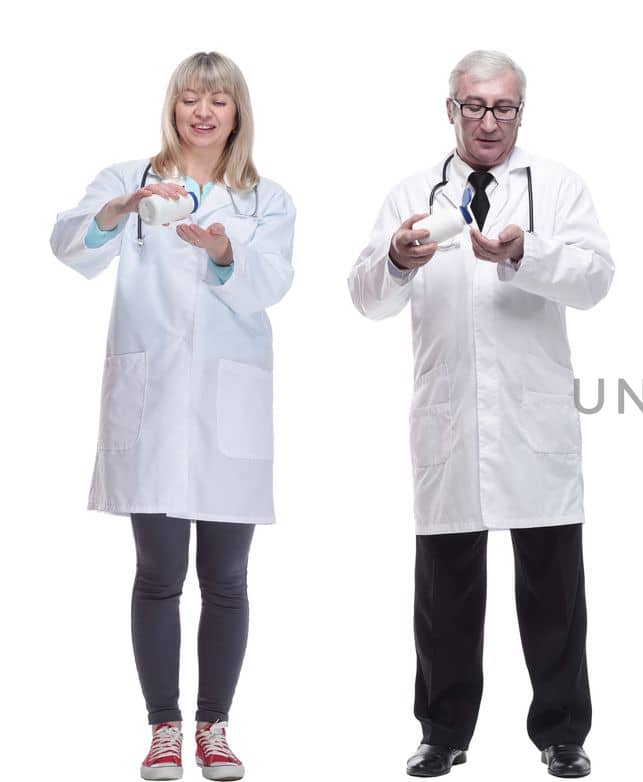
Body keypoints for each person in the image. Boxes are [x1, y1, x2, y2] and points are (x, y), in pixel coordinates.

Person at [348, 50, 614, 780]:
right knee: (445, 591)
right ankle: (442, 731)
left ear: (521, 113)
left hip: (536, 423)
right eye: (475, 106)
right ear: (451, 110)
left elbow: (596, 280)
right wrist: (399, 260)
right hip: (451, 418)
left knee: (554, 589)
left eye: (503, 107)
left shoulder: (556, 188)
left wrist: (530, 252)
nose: (489, 121)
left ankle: (562, 732)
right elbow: (366, 297)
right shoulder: (412, 191)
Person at [48, 51, 295, 782]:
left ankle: (214, 729)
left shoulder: (266, 200)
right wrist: (117, 212)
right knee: (157, 574)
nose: (202, 112)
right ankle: (163, 729)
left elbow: (273, 281)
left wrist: (224, 252)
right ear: (173, 106)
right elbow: (67, 246)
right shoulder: (128, 178)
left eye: (217, 100)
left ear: (237, 111)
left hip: (230, 406)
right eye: (190, 98)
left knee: (227, 578)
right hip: (152, 403)